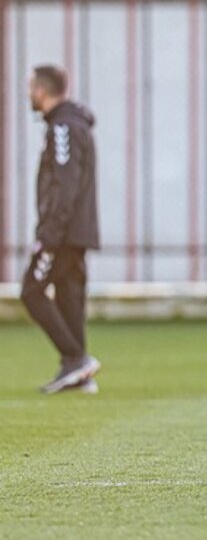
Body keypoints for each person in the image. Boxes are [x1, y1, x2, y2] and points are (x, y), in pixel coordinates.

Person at [20, 65, 101, 394]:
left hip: (63, 233)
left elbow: (66, 185)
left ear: (42, 91)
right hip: (75, 232)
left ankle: (75, 358)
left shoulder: (63, 128)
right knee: (69, 296)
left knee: (32, 291)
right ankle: (79, 374)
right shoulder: (70, 124)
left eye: (31, 88)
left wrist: (50, 233)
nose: (29, 94)